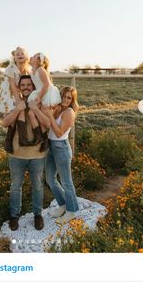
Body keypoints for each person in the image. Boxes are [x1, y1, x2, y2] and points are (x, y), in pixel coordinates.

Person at [3, 75, 50, 231]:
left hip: (36, 155)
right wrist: (18, 109)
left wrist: (35, 108)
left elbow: (48, 123)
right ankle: (14, 216)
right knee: (16, 186)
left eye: (29, 84)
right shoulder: (13, 102)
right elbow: (5, 122)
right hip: (16, 154)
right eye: (22, 85)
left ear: (33, 86)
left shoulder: (40, 102)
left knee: (37, 186)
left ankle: (38, 215)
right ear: (19, 87)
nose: (26, 87)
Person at [43, 86, 79, 224]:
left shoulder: (69, 112)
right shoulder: (58, 108)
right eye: (63, 96)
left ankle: (72, 211)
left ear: (72, 100)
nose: (65, 99)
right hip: (51, 146)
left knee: (66, 182)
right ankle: (63, 204)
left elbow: (59, 132)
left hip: (61, 147)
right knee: (50, 179)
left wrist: (50, 116)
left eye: (69, 97)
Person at [17, 52, 61, 152]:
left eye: (35, 56)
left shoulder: (41, 70)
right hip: (39, 92)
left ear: (39, 61)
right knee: (31, 113)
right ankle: (39, 136)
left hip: (46, 93)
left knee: (38, 113)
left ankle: (44, 138)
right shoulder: (32, 70)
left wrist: (39, 97)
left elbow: (46, 85)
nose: (32, 56)